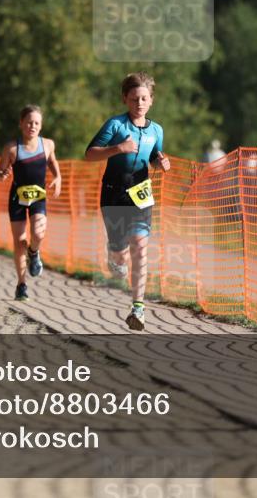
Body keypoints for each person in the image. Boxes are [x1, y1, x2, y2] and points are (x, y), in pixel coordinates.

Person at [84, 72, 170, 331]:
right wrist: (117, 149)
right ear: (125, 99)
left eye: (144, 98)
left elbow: (155, 155)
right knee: (121, 253)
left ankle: (138, 308)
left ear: (151, 100)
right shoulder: (115, 125)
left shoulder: (157, 130)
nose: (139, 103)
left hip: (141, 193)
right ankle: (115, 257)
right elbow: (89, 154)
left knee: (141, 247)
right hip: (114, 193)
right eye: (134, 99)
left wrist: (161, 162)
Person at [0, 105, 62, 301]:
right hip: (17, 198)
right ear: (21, 124)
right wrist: (3, 174)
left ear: (40, 126)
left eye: (36, 123)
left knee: (39, 233)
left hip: (38, 196)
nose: (32, 126)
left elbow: (52, 162)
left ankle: (34, 252)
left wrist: (58, 178)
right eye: (29, 122)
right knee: (19, 241)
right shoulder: (11, 148)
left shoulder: (48, 144)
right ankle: (21, 284)